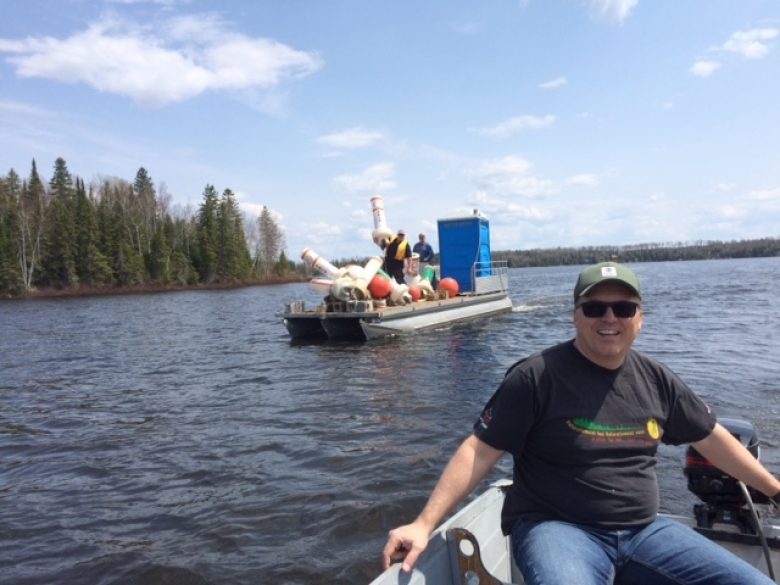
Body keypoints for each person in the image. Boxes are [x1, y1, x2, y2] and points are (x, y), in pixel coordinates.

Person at [382, 261, 780, 585]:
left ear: (640, 319)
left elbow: (711, 439)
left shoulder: (658, 379)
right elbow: (480, 449)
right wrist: (423, 523)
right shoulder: (535, 377)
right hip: (557, 529)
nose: (610, 318)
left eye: (623, 308)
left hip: (645, 531)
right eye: (595, 308)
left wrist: (775, 490)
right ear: (575, 316)